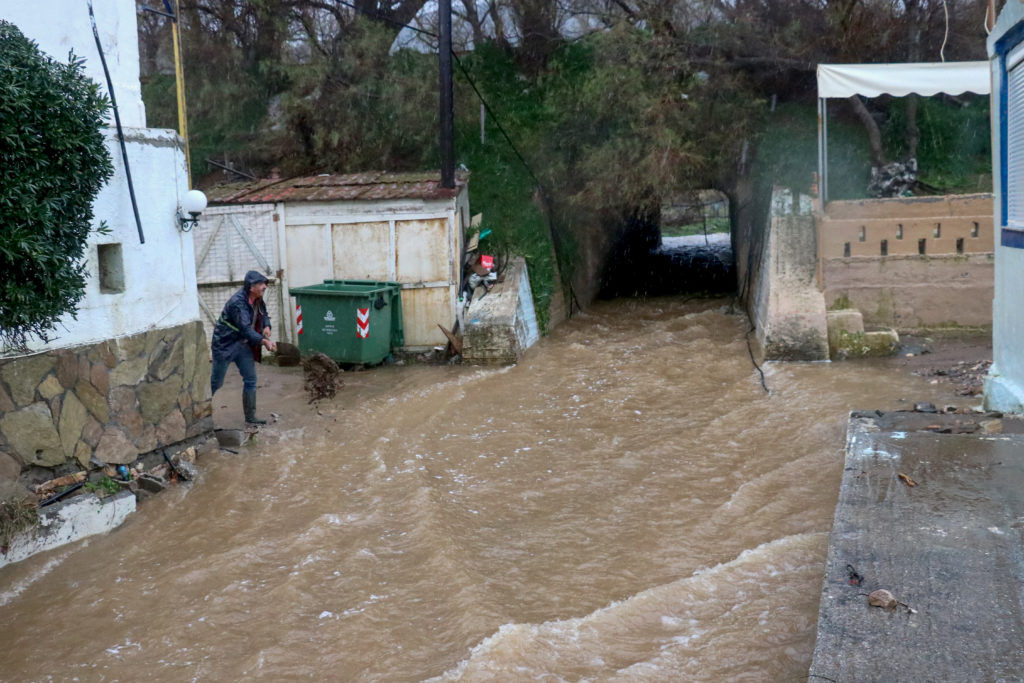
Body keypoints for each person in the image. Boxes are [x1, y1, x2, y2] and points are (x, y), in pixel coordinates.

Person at [210, 270, 277, 425]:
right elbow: (246, 329)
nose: (264, 287)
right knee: (216, 383)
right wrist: (264, 341)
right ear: (251, 287)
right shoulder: (237, 303)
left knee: (251, 379)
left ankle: (250, 418)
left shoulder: (258, 299)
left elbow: (264, 313)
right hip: (224, 345)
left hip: (242, 344)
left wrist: (267, 325)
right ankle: (201, 417)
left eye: (264, 284)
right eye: (261, 284)